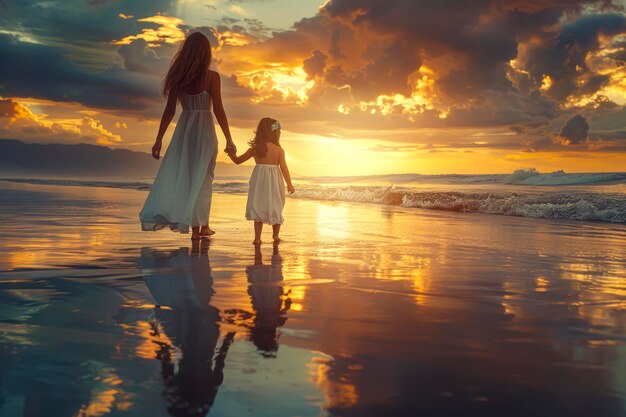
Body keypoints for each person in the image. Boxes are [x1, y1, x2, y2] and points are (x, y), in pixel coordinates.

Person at [139, 31, 236, 240]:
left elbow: (169, 112)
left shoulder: (177, 78)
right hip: (205, 132)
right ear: (206, 53)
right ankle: (201, 227)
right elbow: (218, 109)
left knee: (191, 177)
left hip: (185, 132)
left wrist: (159, 139)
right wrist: (229, 138)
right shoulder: (212, 77)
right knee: (205, 179)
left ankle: (197, 226)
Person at [227, 117, 295, 244]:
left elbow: (237, 161)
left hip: (259, 181)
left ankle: (257, 238)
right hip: (274, 181)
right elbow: (284, 168)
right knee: (276, 206)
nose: (280, 133)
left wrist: (231, 153)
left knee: (258, 206)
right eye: (278, 131)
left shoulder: (256, 148)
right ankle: (275, 236)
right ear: (272, 132)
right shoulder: (279, 150)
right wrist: (289, 184)